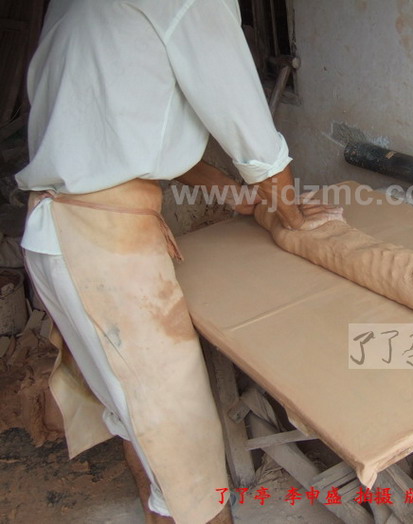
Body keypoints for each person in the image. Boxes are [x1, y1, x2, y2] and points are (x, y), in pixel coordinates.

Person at [15, 1, 340, 522]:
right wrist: (290, 211)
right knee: (185, 447)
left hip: (57, 232)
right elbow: (249, 127)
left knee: (135, 416)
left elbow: (127, 134)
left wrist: (233, 192)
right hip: (102, 250)